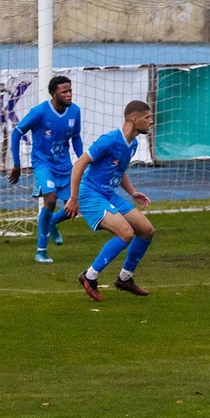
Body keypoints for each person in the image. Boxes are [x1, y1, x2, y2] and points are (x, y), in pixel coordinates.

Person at [64, 101, 155, 302]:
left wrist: (132, 192)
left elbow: (118, 170)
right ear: (134, 118)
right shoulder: (109, 140)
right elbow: (79, 163)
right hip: (90, 194)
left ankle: (125, 278)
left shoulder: (133, 144)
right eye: (147, 117)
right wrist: (73, 198)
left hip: (109, 194)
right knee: (126, 233)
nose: (151, 121)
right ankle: (89, 276)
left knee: (146, 230)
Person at [8, 75, 82, 263]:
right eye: (64, 91)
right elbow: (17, 133)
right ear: (53, 93)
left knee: (76, 206)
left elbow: (76, 138)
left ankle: (52, 222)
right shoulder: (39, 112)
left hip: (65, 166)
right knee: (50, 198)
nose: (69, 94)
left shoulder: (75, 112)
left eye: (70, 90)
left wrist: (82, 161)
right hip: (43, 163)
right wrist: (16, 164)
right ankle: (41, 251)